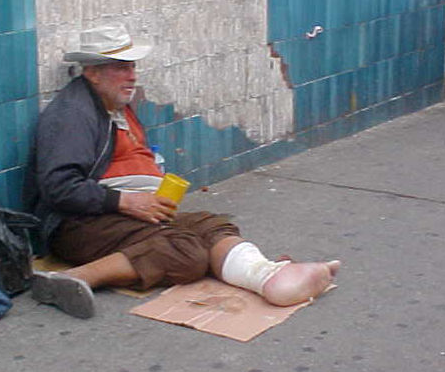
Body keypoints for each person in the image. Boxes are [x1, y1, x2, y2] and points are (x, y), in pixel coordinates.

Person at [23, 23, 340, 319]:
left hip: (120, 214)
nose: (132, 76)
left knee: (210, 225)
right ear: (92, 72)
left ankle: (267, 275)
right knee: (185, 251)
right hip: (78, 224)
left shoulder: (115, 105)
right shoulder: (72, 115)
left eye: (132, 66)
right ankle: (69, 279)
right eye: (121, 68)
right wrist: (126, 201)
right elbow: (58, 187)